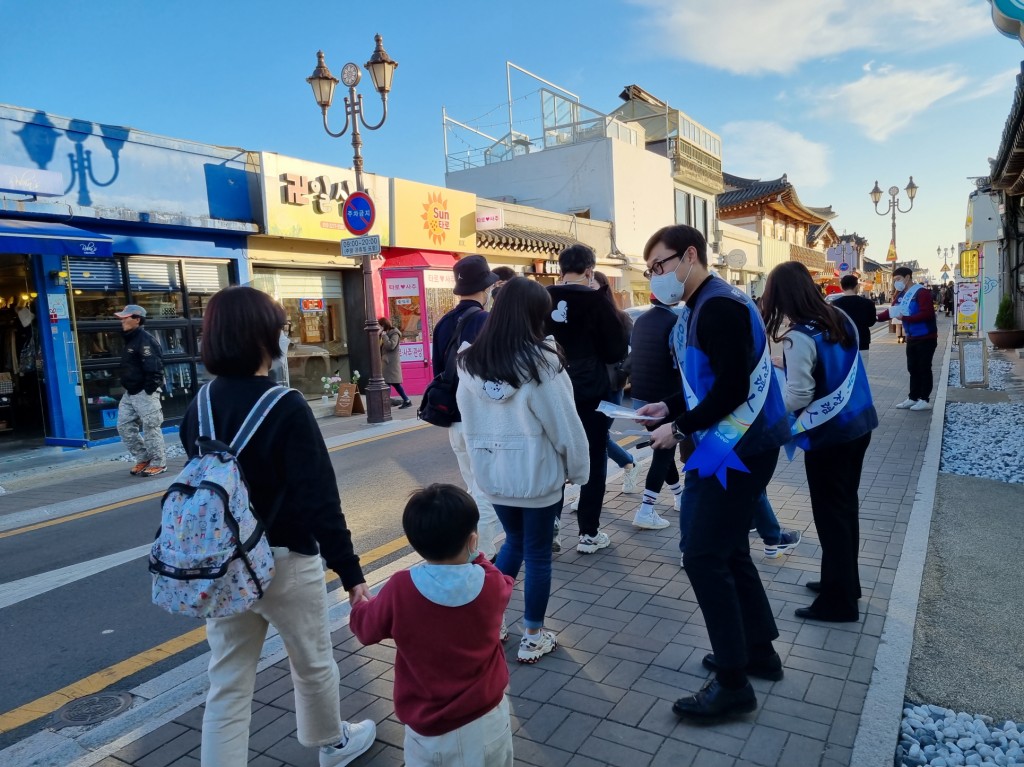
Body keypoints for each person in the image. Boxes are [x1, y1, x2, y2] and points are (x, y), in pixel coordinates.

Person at [179, 286, 374, 767]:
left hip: (224, 564)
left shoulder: (197, 407)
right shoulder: (285, 406)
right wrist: (351, 574)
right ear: (266, 338)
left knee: (227, 678)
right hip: (285, 559)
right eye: (282, 330)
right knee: (311, 662)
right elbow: (319, 500)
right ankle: (332, 744)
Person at [636, 225, 791, 720]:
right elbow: (705, 382)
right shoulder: (706, 303)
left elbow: (731, 389)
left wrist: (679, 427)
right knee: (729, 550)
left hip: (736, 444)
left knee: (702, 556)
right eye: (650, 271)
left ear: (689, 255)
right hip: (734, 442)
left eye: (659, 266)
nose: (655, 277)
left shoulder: (718, 305)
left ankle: (732, 683)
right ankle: (756, 652)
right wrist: (670, 405)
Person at [458, 277, 589, 662]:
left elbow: (468, 422)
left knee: (513, 542)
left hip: (494, 475)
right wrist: (578, 470)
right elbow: (565, 425)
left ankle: (493, 622)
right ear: (535, 316)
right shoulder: (543, 364)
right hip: (536, 476)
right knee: (537, 553)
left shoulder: (470, 364)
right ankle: (533, 634)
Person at [350, 485, 514, 766]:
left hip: (431, 733)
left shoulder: (401, 587)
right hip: (489, 720)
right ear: (473, 541)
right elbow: (503, 580)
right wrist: (478, 556)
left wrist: (359, 605)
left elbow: (366, 629)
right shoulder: (490, 583)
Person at [761, 262, 878, 622]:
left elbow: (799, 395)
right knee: (845, 511)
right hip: (859, 425)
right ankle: (843, 582)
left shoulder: (798, 336)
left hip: (829, 435)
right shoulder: (837, 317)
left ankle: (838, 602)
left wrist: (770, 407)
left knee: (831, 516)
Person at [546, 245, 630, 554]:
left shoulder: (542, 298)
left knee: (555, 458)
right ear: (590, 270)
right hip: (590, 393)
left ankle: (550, 526)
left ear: (560, 268)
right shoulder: (597, 302)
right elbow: (615, 351)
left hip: (550, 392)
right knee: (594, 458)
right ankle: (588, 533)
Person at [431, 254, 502, 560]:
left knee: (474, 485)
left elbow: (438, 370)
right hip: (480, 418)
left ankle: (475, 547)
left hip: (453, 419)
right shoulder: (485, 321)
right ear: (484, 290)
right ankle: (481, 552)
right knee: (486, 489)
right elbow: (493, 373)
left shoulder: (443, 322)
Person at [628, 296, 684, 530]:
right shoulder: (676, 321)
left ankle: (679, 495)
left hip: (639, 396)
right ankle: (646, 509)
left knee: (663, 448)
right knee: (664, 452)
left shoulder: (640, 320)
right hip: (665, 398)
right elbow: (679, 361)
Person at [592, 271, 641, 495]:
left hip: (611, 387)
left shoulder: (620, 317)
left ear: (603, 288)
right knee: (592, 436)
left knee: (597, 436)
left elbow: (636, 351)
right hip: (584, 387)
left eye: (591, 285)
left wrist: (621, 372)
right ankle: (628, 463)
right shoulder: (578, 319)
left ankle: (590, 493)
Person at [114, 304, 167, 477]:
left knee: (151, 427)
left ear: (137, 320)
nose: (121, 320)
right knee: (124, 426)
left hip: (145, 392)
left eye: (125, 317)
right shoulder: (130, 339)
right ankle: (143, 458)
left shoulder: (146, 341)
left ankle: (159, 463)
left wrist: (149, 390)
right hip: (130, 392)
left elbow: (155, 368)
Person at [877, 266, 938, 411]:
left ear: (908, 277)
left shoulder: (921, 292)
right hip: (911, 337)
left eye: (898, 279)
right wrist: (874, 318)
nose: (896, 282)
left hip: (926, 336)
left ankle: (925, 399)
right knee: (912, 368)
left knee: (924, 368)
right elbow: (891, 312)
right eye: (895, 280)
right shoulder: (900, 295)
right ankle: (913, 397)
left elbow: (928, 314)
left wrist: (906, 318)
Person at [831, 275, 877, 368]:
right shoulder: (868, 303)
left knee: (846, 372)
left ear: (841, 287)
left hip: (842, 342)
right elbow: (871, 322)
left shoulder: (834, 304)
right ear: (857, 286)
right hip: (862, 341)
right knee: (861, 370)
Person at [379, 316, 412, 408]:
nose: (379, 328)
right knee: (394, 383)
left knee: (387, 382)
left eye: (380, 326)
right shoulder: (384, 334)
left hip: (391, 363)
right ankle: (407, 400)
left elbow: (391, 346)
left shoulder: (394, 334)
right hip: (387, 362)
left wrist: (384, 336)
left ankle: (386, 403)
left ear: (384, 325)